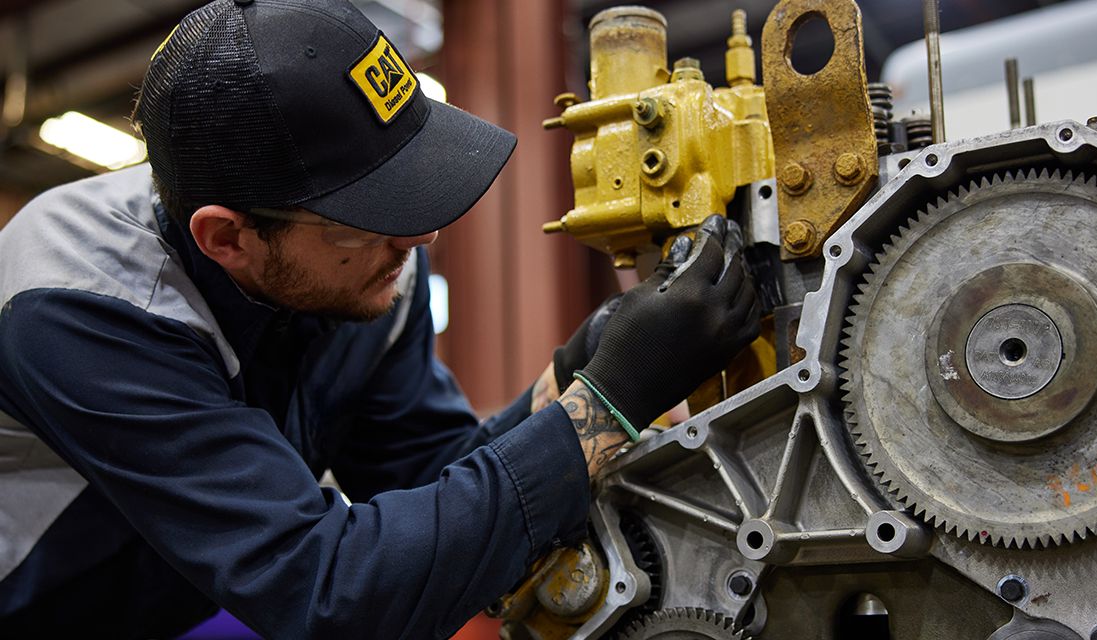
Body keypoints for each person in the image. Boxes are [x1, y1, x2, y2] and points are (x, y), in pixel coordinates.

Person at [0, 0, 761, 637]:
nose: (419, 236)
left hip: (180, 599)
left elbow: (428, 481)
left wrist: (579, 372)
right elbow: (328, 593)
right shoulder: (79, 308)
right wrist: (610, 405)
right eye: (367, 216)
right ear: (227, 237)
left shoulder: (361, 269)